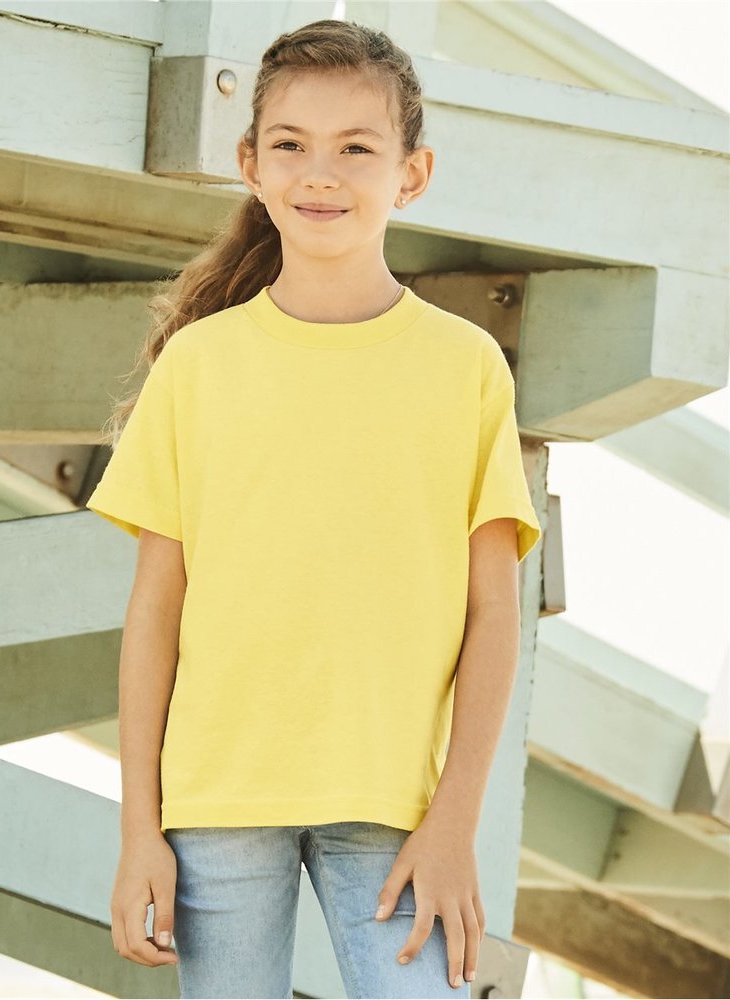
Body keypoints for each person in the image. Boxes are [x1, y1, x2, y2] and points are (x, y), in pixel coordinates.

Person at [86, 17, 542, 1000]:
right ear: (250, 164)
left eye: (355, 149)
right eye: (290, 144)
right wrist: (137, 831)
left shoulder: (464, 368)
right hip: (215, 798)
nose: (319, 174)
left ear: (412, 174)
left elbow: (493, 612)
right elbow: (154, 611)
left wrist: (456, 821)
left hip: (396, 805)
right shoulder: (197, 367)